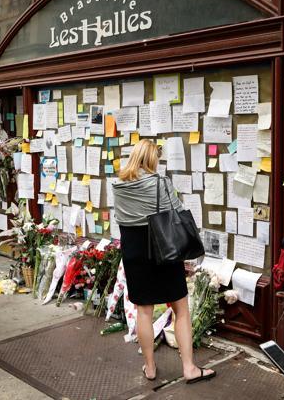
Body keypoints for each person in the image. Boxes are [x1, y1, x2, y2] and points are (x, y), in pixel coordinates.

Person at [112, 139, 215, 383]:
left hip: (134, 251)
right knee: (181, 308)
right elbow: (176, 210)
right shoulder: (160, 183)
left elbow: (120, 218)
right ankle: (189, 368)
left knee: (143, 311)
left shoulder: (118, 185)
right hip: (163, 249)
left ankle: (150, 368)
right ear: (151, 159)